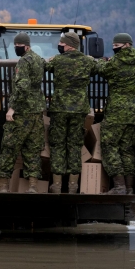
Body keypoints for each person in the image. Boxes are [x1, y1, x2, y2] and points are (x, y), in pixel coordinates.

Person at [97, 33, 135, 194]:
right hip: (132, 111)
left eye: (116, 48)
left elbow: (101, 69)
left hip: (116, 112)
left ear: (125, 45)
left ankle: (119, 186)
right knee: (126, 148)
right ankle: (128, 187)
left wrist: (102, 60)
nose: (115, 51)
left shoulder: (116, 63)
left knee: (109, 144)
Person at [44, 32, 97, 194]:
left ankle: (57, 185)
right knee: (75, 145)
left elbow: (45, 66)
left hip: (59, 108)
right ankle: (73, 186)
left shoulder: (58, 61)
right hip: (79, 109)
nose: (60, 45)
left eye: (61, 42)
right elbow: (97, 69)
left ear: (68, 45)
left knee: (58, 144)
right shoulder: (87, 61)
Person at [0, 33, 45, 193]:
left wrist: (12, 108)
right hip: (36, 111)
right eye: (15, 45)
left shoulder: (24, 61)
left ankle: (3, 186)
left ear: (26, 46)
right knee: (33, 149)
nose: (16, 48)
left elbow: (22, 87)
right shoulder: (38, 59)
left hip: (22, 112)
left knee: (9, 147)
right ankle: (33, 186)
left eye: (19, 45)